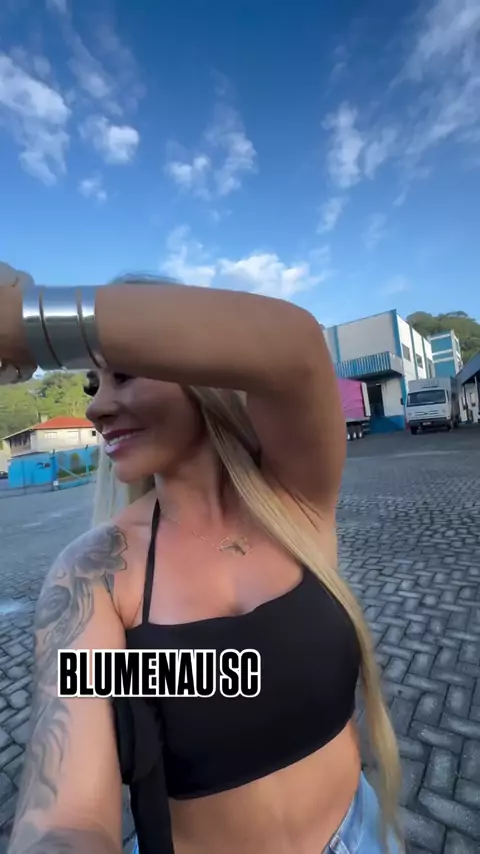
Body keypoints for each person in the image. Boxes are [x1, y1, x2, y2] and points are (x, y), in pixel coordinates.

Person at [0, 263, 403, 854]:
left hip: (364, 836)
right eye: (92, 386)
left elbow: (293, 348)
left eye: (123, 374)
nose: (97, 408)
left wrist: (25, 321)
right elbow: (67, 809)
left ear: (202, 376)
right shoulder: (97, 572)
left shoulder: (295, 499)